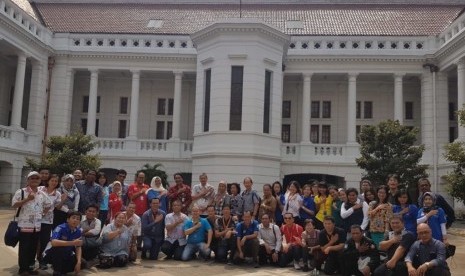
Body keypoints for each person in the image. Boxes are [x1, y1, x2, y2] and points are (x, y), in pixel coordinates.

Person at [12, 171, 52, 276]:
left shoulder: (42, 193)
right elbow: (14, 205)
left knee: (33, 248)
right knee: (24, 248)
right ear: (28, 180)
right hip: (24, 225)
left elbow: (49, 204)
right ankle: (23, 269)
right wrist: (27, 199)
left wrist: (43, 213)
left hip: (37, 226)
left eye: (36, 178)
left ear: (40, 180)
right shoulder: (21, 191)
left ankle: (30, 267)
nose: (34, 180)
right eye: (32, 178)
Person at [43, 211, 83, 276]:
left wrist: (79, 262)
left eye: (78, 219)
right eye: (73, 218)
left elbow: (78, 246)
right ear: (68, 219)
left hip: (67, 253)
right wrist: (72, 243)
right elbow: (54, 242)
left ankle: (62, 270)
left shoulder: (78, 231)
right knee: (59, 249)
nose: (75, 220)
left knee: (82, 263)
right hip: (50, 253)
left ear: (79, 222)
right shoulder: (60, 228)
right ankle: (57, 271)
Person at [38, 174, 63, 270]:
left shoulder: (57, 194)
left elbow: (58, 207)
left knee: (44, 241)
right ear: (48, 181)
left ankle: (42, 261)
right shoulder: (40, 189)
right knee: (34, 241)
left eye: (56, 181)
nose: (54, 182)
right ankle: (31, 261)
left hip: (48, 220)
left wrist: (62, 201)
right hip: (36, 220)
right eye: (52, 180)